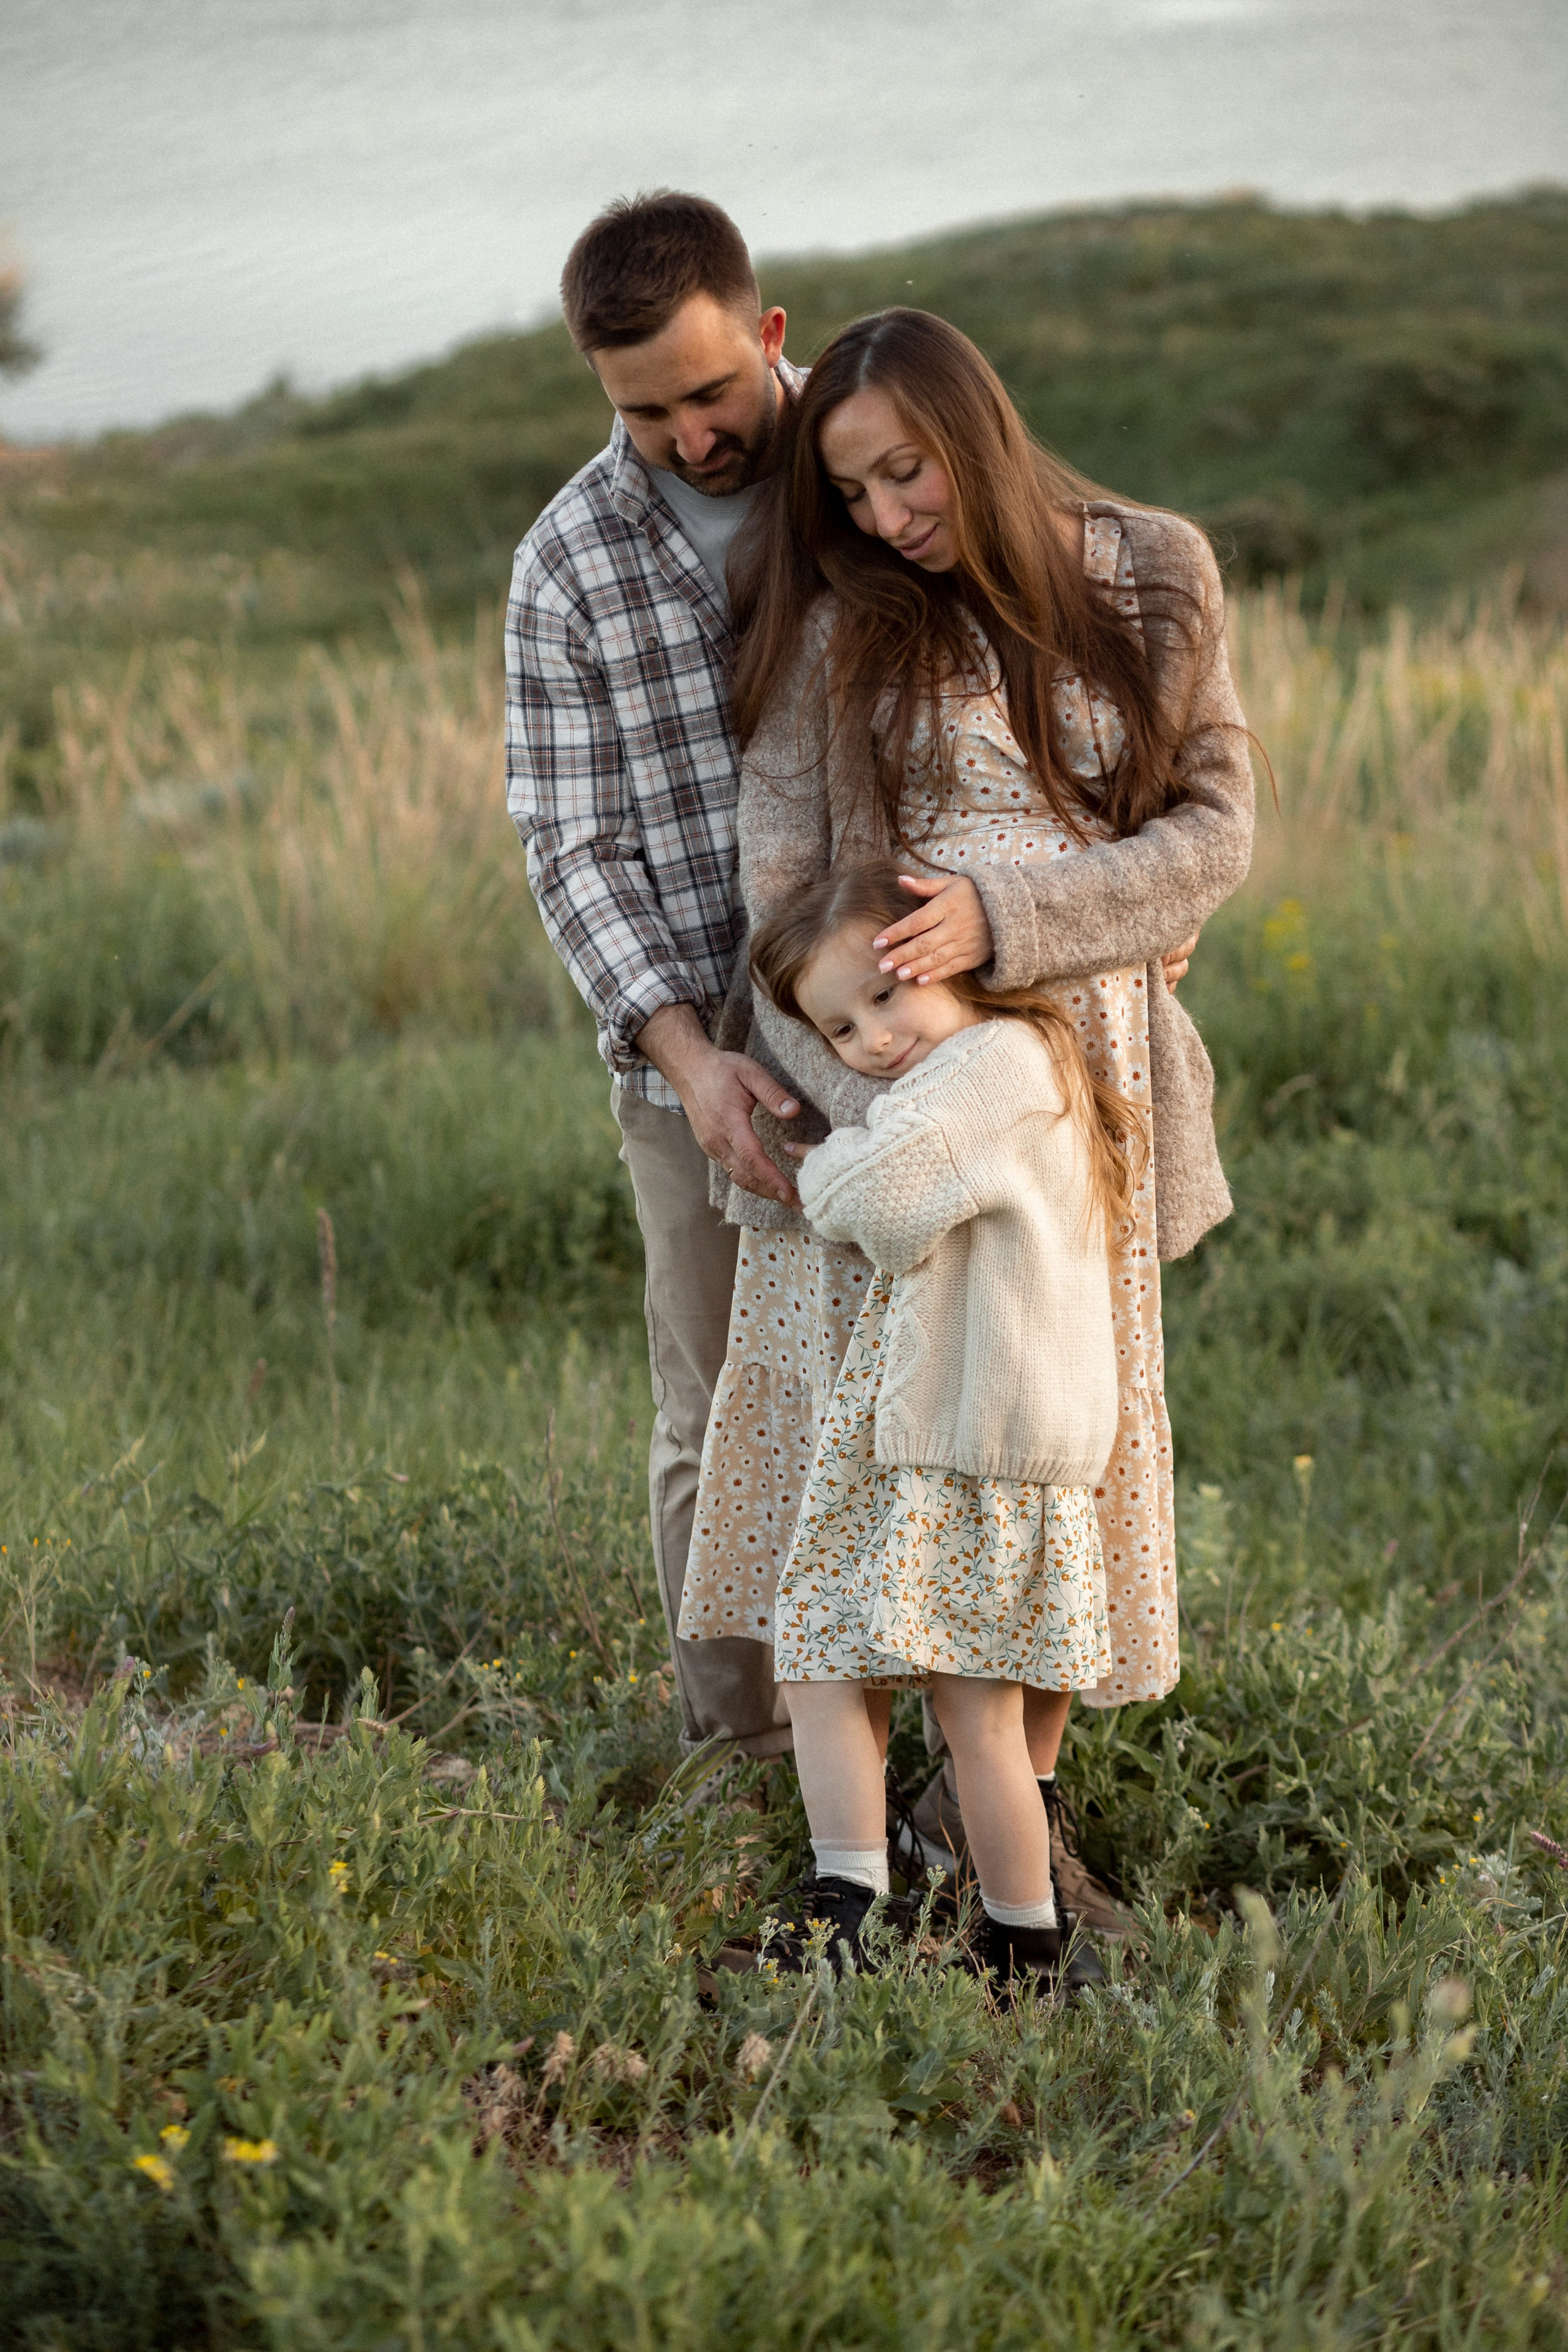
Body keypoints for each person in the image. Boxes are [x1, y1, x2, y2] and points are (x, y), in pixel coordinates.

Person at [679, 307, 1253, 1922]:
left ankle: (1003, 1828)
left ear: (976, 434)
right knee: (869, 1456)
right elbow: (785, 880)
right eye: (851, 493)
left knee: (1047, 1442)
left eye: (905, 474)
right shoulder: (834, 616)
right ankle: (856, 1849)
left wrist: (1011, 919)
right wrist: (860, 1088)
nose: (883, 518)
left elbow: (1214, 831)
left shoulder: (1152, 571)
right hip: (890, 1081)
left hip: (1081, 1086)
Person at [505, 192, 810, 1763]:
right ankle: (738, 1764)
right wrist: (692, 1067)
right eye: (644, 412)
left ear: (768, 333)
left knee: (932, 1407)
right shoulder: (563, 562)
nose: (690, 438)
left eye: (710, 392)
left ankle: (947, 1781)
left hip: (913, 1041)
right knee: (716, 1412)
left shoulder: (880, 461)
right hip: (688, 1061)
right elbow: (571, 847)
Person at [739, 858, 1141, 1989]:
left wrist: (831, 1163)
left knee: (966, 1713)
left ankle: (970, 1931)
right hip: (962, 1447)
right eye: (839, 1028)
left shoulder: (992, 1067)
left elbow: (881, 1201)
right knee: (845, 1660)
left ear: (942, 956)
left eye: (885, 994)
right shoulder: (1001, 1062)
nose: (872, 1040)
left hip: (972, 1454)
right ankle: (909, 1914)